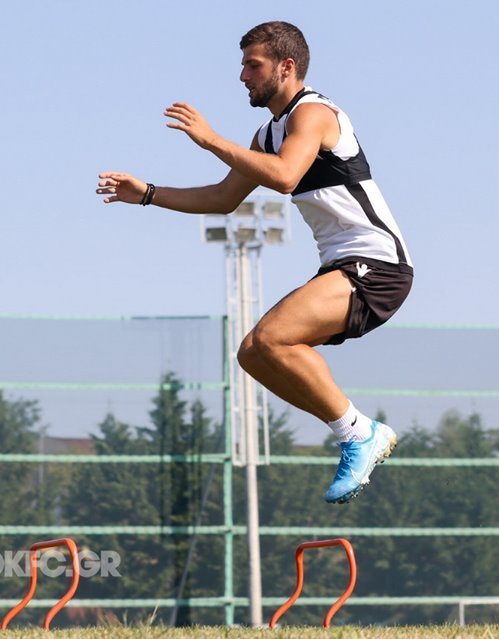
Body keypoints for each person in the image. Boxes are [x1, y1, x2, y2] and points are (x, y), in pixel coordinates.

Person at [96, 21, 413, 504]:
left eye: (253, 65)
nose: (243, 76)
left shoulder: (314, 113)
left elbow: (285, 176)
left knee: (270, 338)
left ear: (286, 67)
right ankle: (356, 431)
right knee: (255, 354)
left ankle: (359, 434)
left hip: (377, 263)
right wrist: (148, 194)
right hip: (343, 266)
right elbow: (224, 198)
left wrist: (210, 140)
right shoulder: (268, 133)